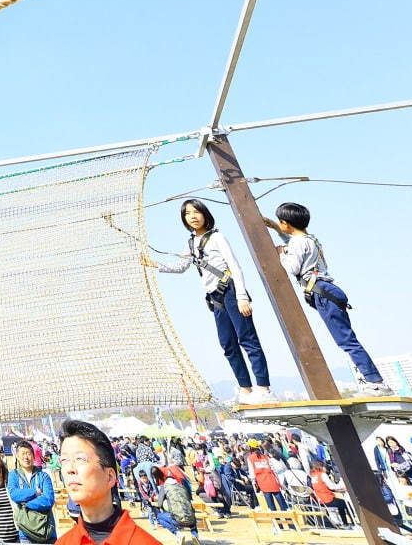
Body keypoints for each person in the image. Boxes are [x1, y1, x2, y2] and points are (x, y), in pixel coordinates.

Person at [143, 199, 275, 405]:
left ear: (205, 214)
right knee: (228, 345)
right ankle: (246, 390)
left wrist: (242, 297)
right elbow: (181, 267)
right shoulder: (190, 243)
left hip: (231, 291)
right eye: (187, 214)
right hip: (215, 297)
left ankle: (264, 389)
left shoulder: (217, 237)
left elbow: (235, 266)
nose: (192, 216)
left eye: (196, 212)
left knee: (248, 340)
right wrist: (155, 265)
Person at [262, 202, 391, 396]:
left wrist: (281, 253)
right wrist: (275, 227)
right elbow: (294, 242)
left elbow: (292, 268)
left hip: (321, 291)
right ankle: (371, 380)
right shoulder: (310, 238)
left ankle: (375, 382)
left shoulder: (296, 243)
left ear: (285, 223)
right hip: (328, 290)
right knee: (348, 339)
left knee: (346, 341)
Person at [55, 419, 160, 545]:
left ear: (110, 477)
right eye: (64, 460)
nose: (70, 469)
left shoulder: (143, 542)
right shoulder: (64, 542)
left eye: (80, 459)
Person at [10, 439, 57, 543]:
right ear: (17, 456)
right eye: (22, 454)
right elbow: (14, 494)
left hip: (46, 530)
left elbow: (48, 500)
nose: (26, 457)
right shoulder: (14, 475)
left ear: (34, 456)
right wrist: (35, 492)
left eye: (28, 454)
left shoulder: (43, 476)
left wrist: (26, 504)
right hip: (26, 532)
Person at [151, 466, 199, 544]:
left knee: (159, 517)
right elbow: (189, 499)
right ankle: (195, 535)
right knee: (191, 513)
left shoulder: (165, 486)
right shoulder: (182, 486)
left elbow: (159, 504)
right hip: (191, 520)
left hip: (178, 520)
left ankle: (177, 533)